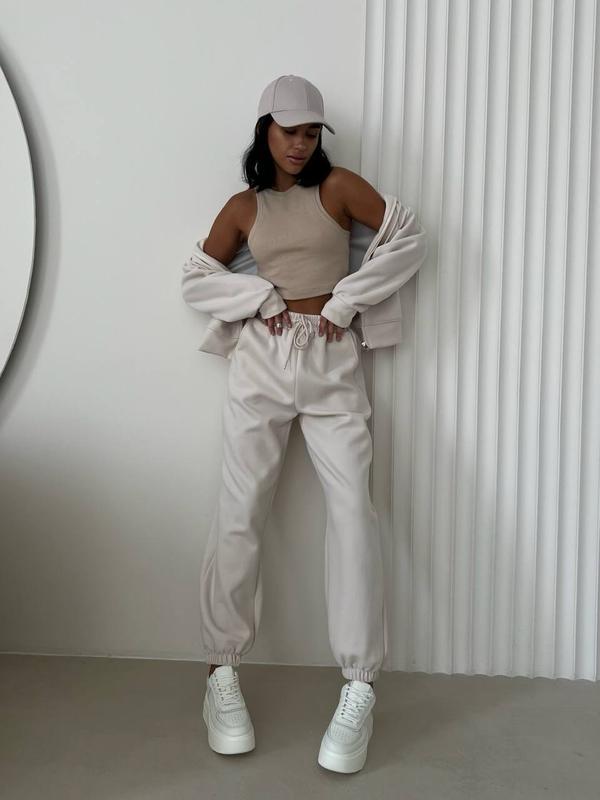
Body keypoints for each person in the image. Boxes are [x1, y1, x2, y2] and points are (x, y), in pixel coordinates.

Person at [183, 74, 427, 774]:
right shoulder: (245, 206)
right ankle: (220, 671)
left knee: (352, 513)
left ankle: (359, 686)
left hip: (331, 360)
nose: (300, 143)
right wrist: (258, 296)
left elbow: (408, 239)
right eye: (289, 130)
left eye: (311, 131)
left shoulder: (339, 188)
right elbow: (195, 277)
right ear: (265, 129)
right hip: (262, 361)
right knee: (240, 512)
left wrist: (346, 303)